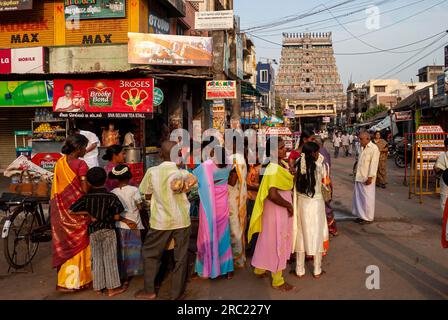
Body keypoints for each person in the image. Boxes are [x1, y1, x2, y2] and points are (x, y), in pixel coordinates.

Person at [136, 141, 193, 300]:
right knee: (180, 258)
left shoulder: (152, 172)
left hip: (160, 221)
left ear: (161, 154)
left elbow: (144, 194)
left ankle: (149, 290)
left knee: (151, 254)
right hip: (182, 220)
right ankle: (177, 294)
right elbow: (193, 192)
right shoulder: (183, 173)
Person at [70, 167, 126, 297]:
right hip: (108, 231)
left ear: (88, 182)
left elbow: (71, 210)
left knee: (96, 259)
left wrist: (88, 213)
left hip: (93, 231)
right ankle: (112, 289)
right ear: (105, 180)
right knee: (110, 259)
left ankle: (98, 287)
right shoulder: (111, 197)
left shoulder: (86, 198)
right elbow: (117, 216)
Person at [248, 137, 295, 291]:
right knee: (278, 240)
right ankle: (277, 280)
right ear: (273, 151)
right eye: (281, 147)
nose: (285, 150)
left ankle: (259, 268)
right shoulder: (272, 167)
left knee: (267, 238)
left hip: (273, 209)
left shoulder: (275, 164)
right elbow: (272, 194)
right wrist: (288, 205)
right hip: (277, 208)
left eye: (284, 147)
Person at [50, 134, 92, 292]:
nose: (86, 150)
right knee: (80, 243)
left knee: (66, 243)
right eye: (85, 147)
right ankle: (80, 281)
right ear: (79, 148)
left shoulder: (60, 163)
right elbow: (84, 188)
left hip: (61, 210)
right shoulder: (81, 164)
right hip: (77, 210)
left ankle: (64, 282)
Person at [193, 145, 234, 280]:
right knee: (224, 236)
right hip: (223, 204)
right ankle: (227, 269)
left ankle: (209, 268)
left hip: (209, 205)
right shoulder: (229, 165)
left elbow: (193, 176)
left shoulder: (208, 165)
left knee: (208, 234)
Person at [292, 142, 330, 278]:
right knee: (317, 234)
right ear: (313, 153)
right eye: (317, 152)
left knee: (301, 235)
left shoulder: (298, 164)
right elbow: (326, 182)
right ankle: (317, 269)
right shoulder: (320, 166)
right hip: (316, 205)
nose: (319, 154)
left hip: (302, 203)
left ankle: (300, 270)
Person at [109, 164, 144, 288]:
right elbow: (140, 207)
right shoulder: (134, 190)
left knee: (122, 250)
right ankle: (131, 272)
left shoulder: (113, 192)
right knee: (133, 250)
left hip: (119, 224)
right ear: (128, 176)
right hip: (133, 224)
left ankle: (123, 276)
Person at [352, 132, 380, 224]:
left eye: (361, 139)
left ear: (367, 139)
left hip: (367, 178)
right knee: (359, 198)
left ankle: (368, 217)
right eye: (359, 139)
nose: (360, 141)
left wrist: (370, 177)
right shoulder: (361, 148)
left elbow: (374, 164)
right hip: (359, 176)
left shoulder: (374, 149)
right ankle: (361, 215)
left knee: (367, 199)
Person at [228, 141, 248, 269]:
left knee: (234, 228)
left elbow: (232, 180)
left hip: (233, 197)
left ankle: (237, 259)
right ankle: (240, 257)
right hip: (240, 196)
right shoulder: (241, 156)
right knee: (239, 226)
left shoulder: (233, 158)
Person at [315, 136, 337, 236]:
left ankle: (331, 228)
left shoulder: (320, 153)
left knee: (325, 206)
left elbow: (324, 170)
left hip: (324, 183)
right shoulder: (324, 152)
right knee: (325, 206)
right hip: (326, 182)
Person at [434, 138, 448, 212]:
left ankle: (446, 220)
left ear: (446, 146)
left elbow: (437, 169)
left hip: (446, 179)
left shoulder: (443, 155)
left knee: (444, 199)